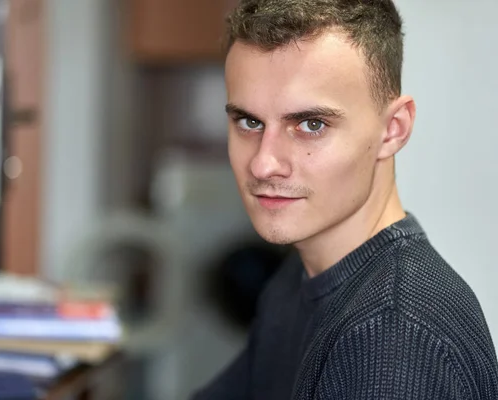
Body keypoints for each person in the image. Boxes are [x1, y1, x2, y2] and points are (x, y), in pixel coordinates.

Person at [191, 0, 498, 399]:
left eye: (311, 124)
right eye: (250, 122)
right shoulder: (295, 281)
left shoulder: (394, 336)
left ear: (393, 130)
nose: (264, 165)